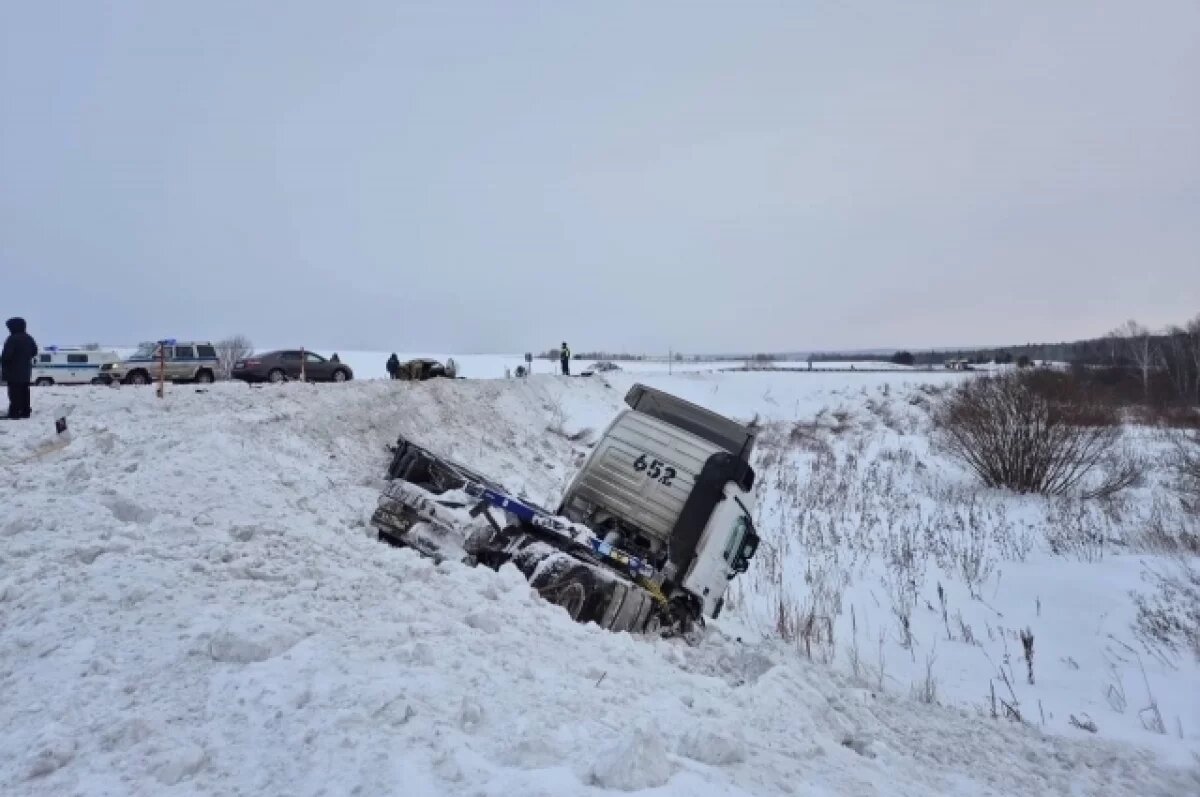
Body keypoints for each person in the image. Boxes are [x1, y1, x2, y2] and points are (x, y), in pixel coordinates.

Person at [2, 317, 38, 420]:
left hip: (13, 372)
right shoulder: (28, 338)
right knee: (25, 392)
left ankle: (14, 413)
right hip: (26, 372)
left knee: (14, 393)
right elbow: (34, 351)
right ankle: (25, 411)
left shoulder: (12, 339)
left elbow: (6, 356)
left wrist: (5, 363)